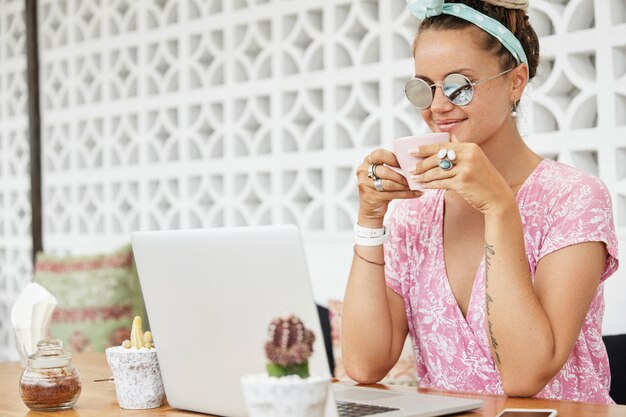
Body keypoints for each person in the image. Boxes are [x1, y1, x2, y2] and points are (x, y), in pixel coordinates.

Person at [341, 0, 619, 404]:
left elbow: (524, 376)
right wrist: (370, 220)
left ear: (515, 81)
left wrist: (500, 207)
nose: (437, 106)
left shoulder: (574, 198)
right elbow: (365, 365)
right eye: (425, 87)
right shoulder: (414, 211)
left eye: (459, 85)